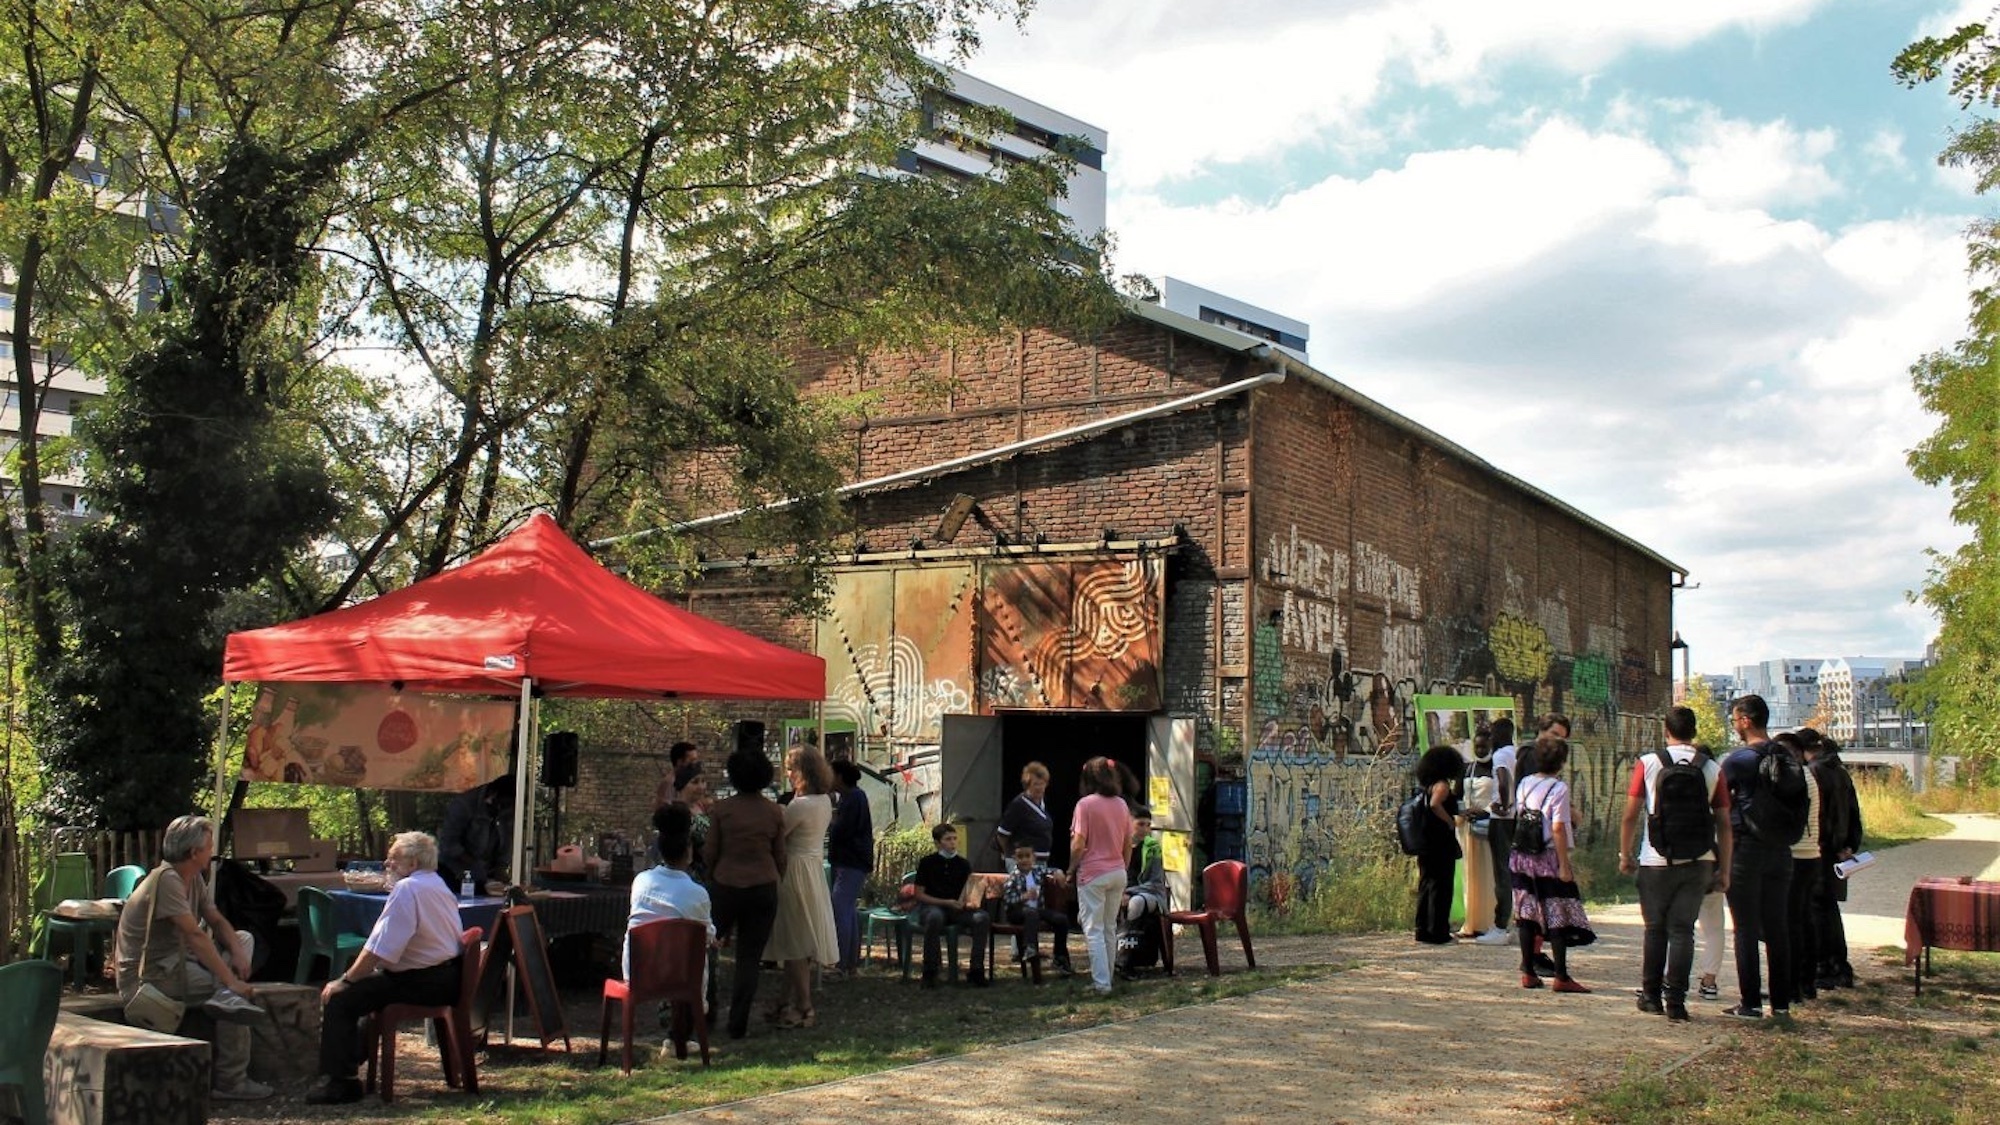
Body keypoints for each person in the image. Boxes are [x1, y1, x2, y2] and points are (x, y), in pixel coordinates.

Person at [114, 815, 271, 1102]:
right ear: (194, 852)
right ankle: (232, 1080)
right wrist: (230, 982)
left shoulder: (193, 877)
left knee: (243, 938)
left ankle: (225, 994)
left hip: (180, 962)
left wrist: (237, 951)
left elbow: (215, 920)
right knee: (235, 1000)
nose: (212, 852)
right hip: (152, 976)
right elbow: (195, 935)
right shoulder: (167, 880)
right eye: (209, 846)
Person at [306, 831, 466, 1105]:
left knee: (340, 998)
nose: (386, 864)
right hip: (446, 978)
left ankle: (341, 1083)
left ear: (413, 863)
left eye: (393, 858)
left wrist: (344, 979)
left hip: (423, 982)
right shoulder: (438, 884)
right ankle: (347, 1059)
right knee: (369, 990)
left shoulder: (408, 889)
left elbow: (379, 950)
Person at [1618, 706, 1733, 1022]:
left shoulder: (1648, 763)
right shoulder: (1711, 768)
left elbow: (1630, 815)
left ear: (1665, 730)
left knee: (1655, 929)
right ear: (1694, 731)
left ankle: (1651, 996)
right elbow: (1724, 823)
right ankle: (1677, 1003)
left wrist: (1625, 854)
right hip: (1699, 861)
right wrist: (1724, 868)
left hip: (1655, 859)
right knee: (1683, 930)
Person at [702, 746, 787, 1038]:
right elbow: (781, 855)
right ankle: (738, 1024)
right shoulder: (773, 811)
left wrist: (712, 876)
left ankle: (704, 1011)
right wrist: (777, 878)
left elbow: (710, 851)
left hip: (725, 885)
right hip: (763, 887)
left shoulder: (722, 810)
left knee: (706, 950)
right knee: (749, 959)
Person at [1720, 694, 1795, 1021]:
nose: (1734, 726)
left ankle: (1750, 1003)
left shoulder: (1737, 761)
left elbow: (1719, 805)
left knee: (1746, 928)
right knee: (1777, 928)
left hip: (1746, 848)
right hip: (1781, 849)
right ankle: (1781, 1004)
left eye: (1735, 720)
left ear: (1746, 721)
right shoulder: (1786, 755)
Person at [1510, 734, 1595, 992]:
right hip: (1546, 857)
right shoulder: (1559, 789)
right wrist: (1564, 865)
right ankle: (1561, 976)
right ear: (1562, 762)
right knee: (1557, 912)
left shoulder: (1524, 783)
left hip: (1521, 855)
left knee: (1527, 913)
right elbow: (1558, 828)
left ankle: (1528, 971)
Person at [627, 802, 714, 1047]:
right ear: (689, 851)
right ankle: (686, 1030)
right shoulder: (696, 893)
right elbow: (706, 934)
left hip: (639, 969)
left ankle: (676, 1036)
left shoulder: (641, 882)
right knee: (697, 952)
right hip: (680, 975)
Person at [766, 747, 840, 1027]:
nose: (787, 774)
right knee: (796, 941)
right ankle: (783, 1001)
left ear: (803, 772)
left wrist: (779, 812)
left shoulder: (801, 805)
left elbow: (777, 834)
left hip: (795, 871)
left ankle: (804, 1006)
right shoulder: (823, 800)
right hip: (812, 870)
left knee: (796, 942)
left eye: (790, 769)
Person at [1067, 756, 1132, 996]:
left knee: (1093, 929)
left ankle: (1101, 984)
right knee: (1109, 928)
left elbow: (1078, 844)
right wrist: (1123, 867)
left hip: (1093, 874)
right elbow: (1127, 844)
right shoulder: (1121, 804)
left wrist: (1071, 869)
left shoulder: (1084, 805)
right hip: (1117, 871)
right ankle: (1107, 978)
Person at [1804, 731, 1864, 990]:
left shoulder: (1814, 772)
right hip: (1838, 850)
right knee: (1829, 908)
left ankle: (1825, 966)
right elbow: (1853, 812)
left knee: (1817, 908)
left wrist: (1821, 843)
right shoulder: (1840, 771)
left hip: (1821, 849)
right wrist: (1849, 844)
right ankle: (1839, 965)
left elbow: (1819, 815)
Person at [911, 822, 991, 987]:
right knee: (934, 917)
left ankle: (976, 970)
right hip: (933, 907)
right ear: (938, 843)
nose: (953, 843)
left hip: (957, 909)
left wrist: (970, 901)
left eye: (955, 839)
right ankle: (930, 971)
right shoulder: (927, 863)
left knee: (982, 918)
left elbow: (968, 891)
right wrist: (945, 902)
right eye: (948, 839)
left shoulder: (963, 864)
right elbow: (919, 894)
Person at [1779, 732, 1823, 1003]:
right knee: (1804, 920)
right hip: (1811, 854)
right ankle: (1805, 982)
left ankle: (1792, 985)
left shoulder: (1794, 777)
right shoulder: (1808, 775)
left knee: (1790, 923)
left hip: (1796, 855)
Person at [1412, 744, 1464, 945]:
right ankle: (1439, 932)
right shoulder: (1442, 785)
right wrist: (1450, 821)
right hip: (1441, 842)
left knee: (1427, 884)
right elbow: (1436, 804)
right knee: (1441, 887)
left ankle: (1423, 929)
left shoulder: (1428, 785)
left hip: (1427, 842)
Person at [826, 758, 873, 978]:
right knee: (848, 910)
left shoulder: (853, 798)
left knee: (840, 908)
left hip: (851, 861)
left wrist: (831, 820)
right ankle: (850, 962)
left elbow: (842, 830)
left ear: (839, 777)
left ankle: (841, 963)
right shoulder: (851, 797)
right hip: (848, 860)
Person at [1001, 842, 1073, 980]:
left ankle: (1059, 956)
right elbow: (1007, 899)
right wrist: (1023, 897)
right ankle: (1030, 947)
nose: (1024, 860)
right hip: (1018, 912)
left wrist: (1057, 871)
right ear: (1015, 859)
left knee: (1061, 919)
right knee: (1031, 913)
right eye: (1020, 857)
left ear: (1033, 858)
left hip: (1037, 910)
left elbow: (1050, 870)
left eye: (1027, 856)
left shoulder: (1037, 871)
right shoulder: (1013, 877)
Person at [1478, 716, 1520, 945]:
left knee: (1502, 872)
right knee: (1515, 870)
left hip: (1501, 819)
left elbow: (1503, 781)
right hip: (1516, 818)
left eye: (1492, 734)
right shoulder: (1517, 753)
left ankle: (1500, 926)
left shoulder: (1501, 755)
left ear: (1499, 735)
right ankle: (1517, 922)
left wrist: (1503, 805)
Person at [1454, 730, 1497, 941]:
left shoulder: (1497, 770)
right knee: (1469, 875)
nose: (1480, 750)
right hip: (1467, 828)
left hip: (1488, 828)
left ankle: (1489, 922)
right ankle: (1471, 922)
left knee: (1488, 874)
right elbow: (1457, 796)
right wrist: (1464, 812)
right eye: (1477, 747)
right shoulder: (1467, 769)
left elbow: (1503, 797)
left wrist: (1485, 811)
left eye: (1484, 746)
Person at [439, 772, 513, 892]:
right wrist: (475, 866)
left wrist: (500, 868)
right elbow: (449, 844)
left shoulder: (505, 810)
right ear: (493, 796)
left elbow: (506, 839)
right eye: (505, 805)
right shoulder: (463, 805)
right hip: (454, 874)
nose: (507, 809)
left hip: (485, 876)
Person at [1116, 805, 1166, 977]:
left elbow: (1155, 882)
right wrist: (1119, 893)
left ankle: (1126, 961)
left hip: (1149, 893)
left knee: (1135, 903)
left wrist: (1129, 892)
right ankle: (1109, 958)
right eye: (1140, 824)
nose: (1145, 829)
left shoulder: (1153, 848)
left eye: (1148, 825)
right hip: (1119, 891)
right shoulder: (1118, 845)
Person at [993, 761, 1056, 870]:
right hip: (1023, 864)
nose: (1039, 788)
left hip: (1041, 863)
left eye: (1042, 784)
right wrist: (1010, 856)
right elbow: (1002, 834)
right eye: (1036, 784)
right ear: (1027, 785)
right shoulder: (1019, 805)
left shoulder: (1043, 804)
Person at [655, 741, 702, 808]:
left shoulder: (684, 781)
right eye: (691, 760)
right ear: (679, 762)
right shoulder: (670, 782)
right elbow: (667, 809)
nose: (694, 764)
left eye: (695, 760)